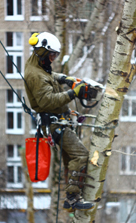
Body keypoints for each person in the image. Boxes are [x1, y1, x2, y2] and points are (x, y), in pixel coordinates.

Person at [24, 32, 94, 211]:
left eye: (55, 55)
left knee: (71, 159)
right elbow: (48, 101)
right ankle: (72, 197)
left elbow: (49, 76)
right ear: (42, 51)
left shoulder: (38, 66)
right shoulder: (35, 74)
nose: (53, 58)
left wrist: (65, 79)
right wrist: (73, 93)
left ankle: (73, 196)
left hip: (59, 122)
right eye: (52, 55)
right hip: (54, 125)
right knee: (80, 155)